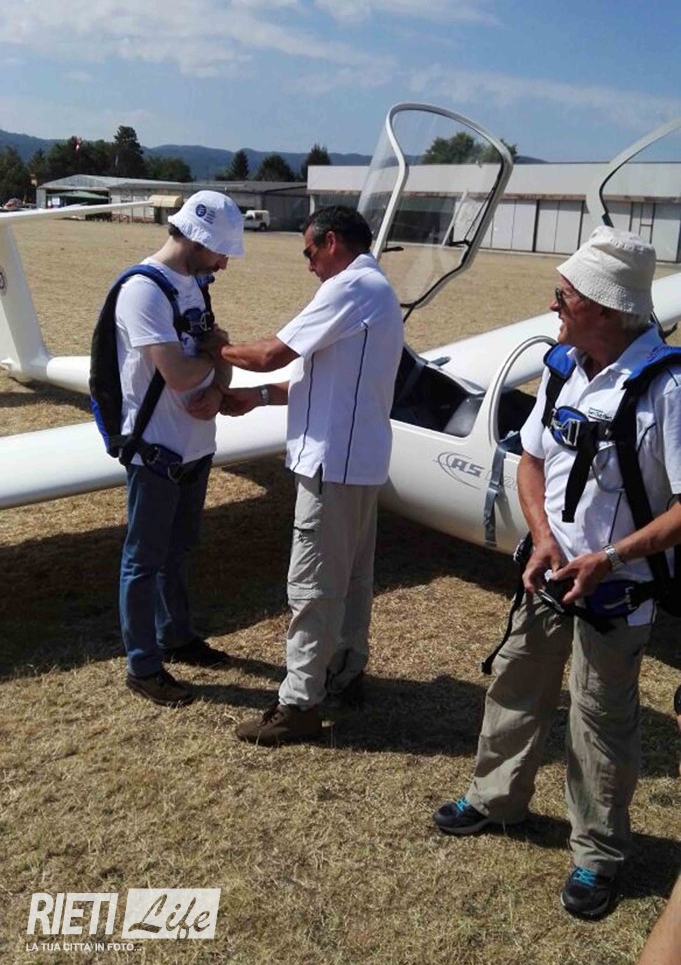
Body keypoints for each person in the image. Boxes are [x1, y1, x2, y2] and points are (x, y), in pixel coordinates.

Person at [433, 226, 681, 919]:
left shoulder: (669, 389)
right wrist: (542, 538)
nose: (552, 305)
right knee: (515, 685)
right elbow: (532, 458)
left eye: (563, 296)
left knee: (600, 722)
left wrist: (610, 559)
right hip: (548, 575)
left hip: (617, 591)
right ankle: (495, 800)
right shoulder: (563, 365)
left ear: (603, 308)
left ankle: (597, 855)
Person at [190, 206, 404, 745]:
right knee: (351, 579)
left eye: (309, 252)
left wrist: (215, 345)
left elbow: (271, 354)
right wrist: (259, 398)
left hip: (333, 466)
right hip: (359, 463)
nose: (309, 264)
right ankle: (346, 671)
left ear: (331, 243)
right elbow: (320, 379)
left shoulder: (348, 288)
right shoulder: (375, 290)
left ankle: (300, 704)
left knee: (312, 586)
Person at [116, 190, 243, 707]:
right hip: (157, 452)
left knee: (180, 549)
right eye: (221, 252)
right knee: (143, 560)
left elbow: (214, 366)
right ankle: (143, 667)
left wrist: (216, 381)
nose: (224, 263)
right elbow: (178, 373)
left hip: (195, 447)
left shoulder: (195, 286)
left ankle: (177, 635)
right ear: (197, 239)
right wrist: (217, 356)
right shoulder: (144, 290)